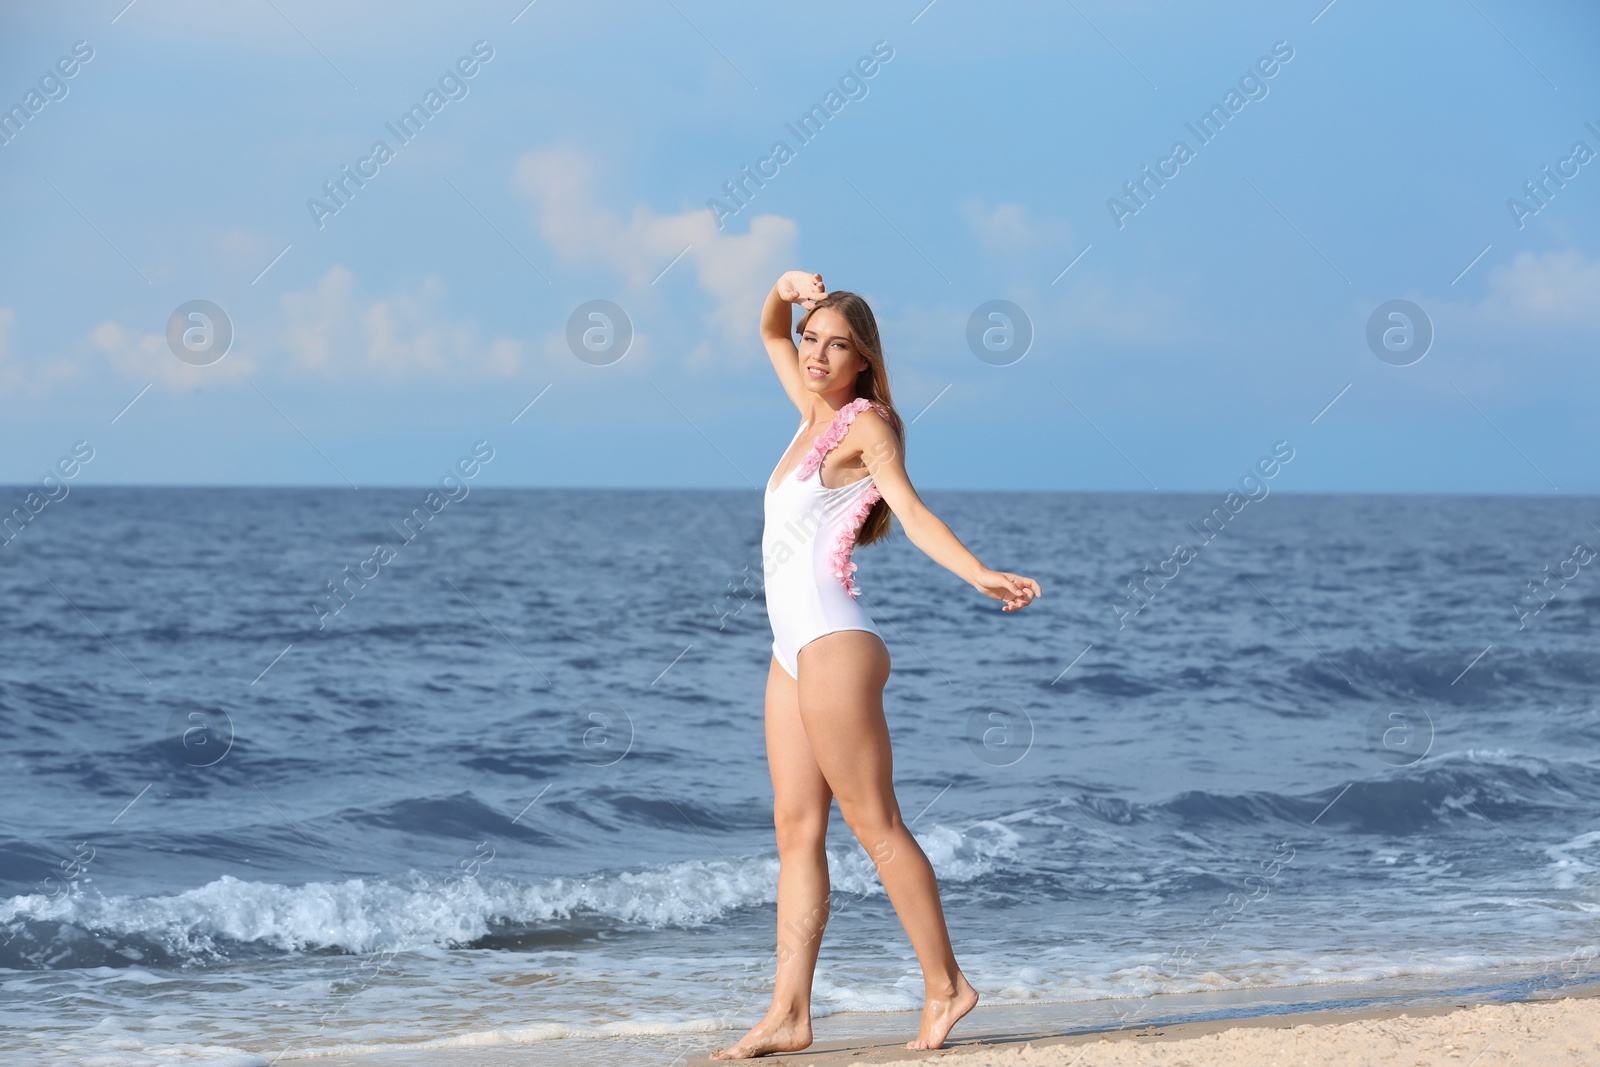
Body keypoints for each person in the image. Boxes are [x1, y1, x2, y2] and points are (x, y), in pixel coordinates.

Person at [713, 271, 1042, 1059]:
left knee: (876, 825)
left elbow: (914, 509)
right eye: (812, 339)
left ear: (863, 360)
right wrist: (782, 288)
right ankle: (789, 1013)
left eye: (836, 344)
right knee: (796, 830)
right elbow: (765, 330)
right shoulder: (808, 415)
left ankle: (946, 985)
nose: (816, 353)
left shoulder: (867, 424)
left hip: (833, 641)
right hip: (789, 649)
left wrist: (979, 573)